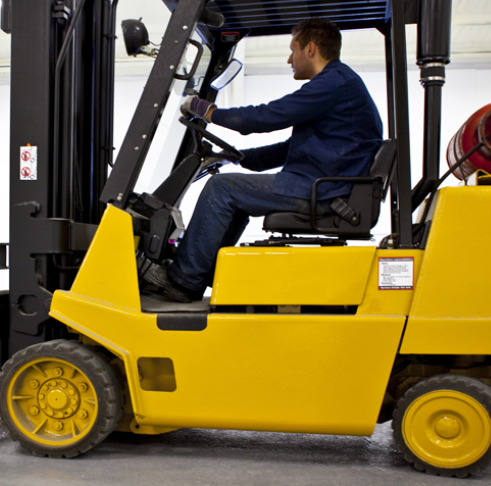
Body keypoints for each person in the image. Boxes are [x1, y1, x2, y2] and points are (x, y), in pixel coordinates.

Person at [141, 18, 383, 302]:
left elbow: (265, 117)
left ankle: (182, 280)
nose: (289, 59)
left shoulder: (333, 83)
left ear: (311, 49)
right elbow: (295, 147)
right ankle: (195, 276)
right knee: (234, 195)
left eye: (293, 50)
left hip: (324, 190)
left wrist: (206, 111)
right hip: (324, 185)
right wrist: (243, 157)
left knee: (222, 189)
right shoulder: (341, 85)